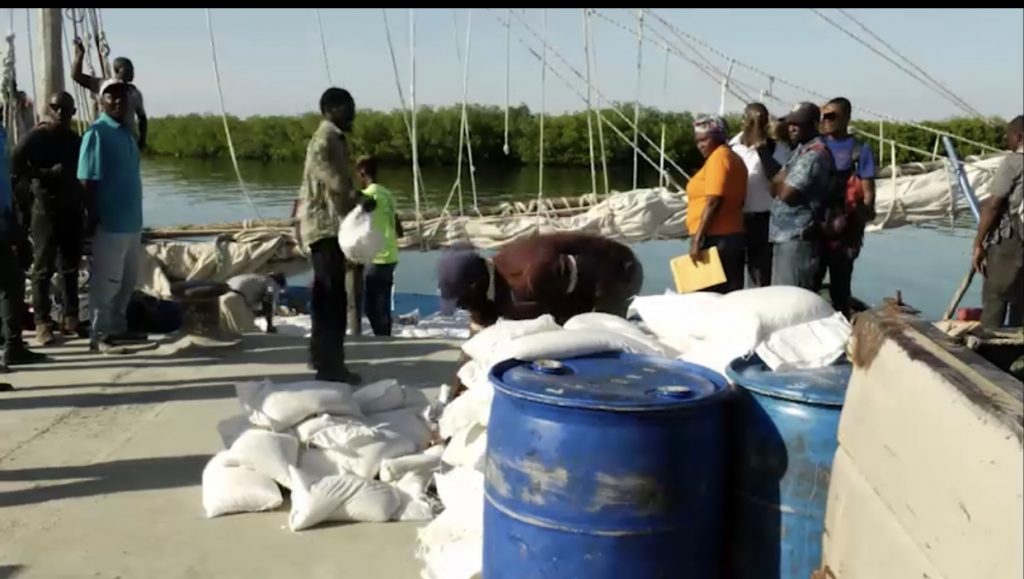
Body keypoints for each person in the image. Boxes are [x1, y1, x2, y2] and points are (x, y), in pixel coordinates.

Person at [295, 87, 364, 384]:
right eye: (348, 109)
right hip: (324, 227)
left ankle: (321, 357)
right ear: (331, 110)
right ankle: (330, 366)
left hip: (325, 225)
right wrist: (357, 198)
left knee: (326, 296)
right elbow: (330, 177)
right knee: (332, 297)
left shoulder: (331, 137)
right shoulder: (326, 138)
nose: (353, 115)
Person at [436, 233, 644, 328]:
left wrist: (603, 323)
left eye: (462, 303)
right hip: (565, 294)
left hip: (619, 272)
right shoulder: (486, 288)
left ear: (477, 286)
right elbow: (480, 327)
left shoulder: (533, 276)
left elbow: (601, 270)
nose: (462, 308)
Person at [77, 79, 148, 354]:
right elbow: (87, 181)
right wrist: (92, 217)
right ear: (101, 101)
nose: (117, 101)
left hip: (132, 222)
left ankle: (118, 327)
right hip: (110, 223)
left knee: (128, 282)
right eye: (110, 96)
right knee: (107, 282)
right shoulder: (97, 133)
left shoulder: (127, 132)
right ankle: (99, 334)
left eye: (121, 96)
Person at [11, 92, 86, 345]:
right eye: (55, 107)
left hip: (71, 209)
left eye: (65, 109)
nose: (60, 112)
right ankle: (42, 321)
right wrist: (44, 174)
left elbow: (83, 173)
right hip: (44, 209)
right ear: (48, 109)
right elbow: (15, 165)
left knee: (70, 267)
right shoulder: (36, 137)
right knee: (43, 268)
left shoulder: (75, 140)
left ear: (73, 112)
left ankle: (70, 316)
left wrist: (85, 205)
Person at [819, 97, 877, 318]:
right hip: (817, 225)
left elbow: (868, 191)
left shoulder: (860, 150)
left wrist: (864, 214)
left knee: (840, 285)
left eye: (832, 115)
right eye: (824, 115)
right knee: (811, 281)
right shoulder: (816, 144)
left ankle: (841, 323)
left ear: (847, 117)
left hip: (845, 227)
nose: (826, 119)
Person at [769, 102, 837, 291]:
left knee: (791, 298)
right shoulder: (799, 150)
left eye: (798, 124)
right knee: (779, 296)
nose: (791, 128)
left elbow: (786, 193)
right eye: (790, 123)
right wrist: (780, 184)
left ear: (814, 124)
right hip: (784, 236)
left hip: (798, 238)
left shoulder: (813, 155)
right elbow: (773, 186)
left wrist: (780, 183)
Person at [1, 121, 47, 391]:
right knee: (11, 283)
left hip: (4, 221)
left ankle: (13, 345)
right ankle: (12, 345)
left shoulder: (2, 132)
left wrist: (14, 224)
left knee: (13, 283)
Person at [729, 103, 791, 287]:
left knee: (760, 274)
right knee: (732, 274)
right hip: (735, 218)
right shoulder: (730, 147)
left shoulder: (777, 149)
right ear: (743, 121)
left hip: (762, 219)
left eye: (761, 121)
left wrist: (761, 148)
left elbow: (777, 178)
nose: (756, 126)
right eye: (752, 121)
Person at [686, 114, 749, 293]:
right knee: (726, 294)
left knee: (704, 297)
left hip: (716, 238)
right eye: (697, 141)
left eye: (704, 140)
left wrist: (698, 240)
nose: (700, 145)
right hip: (729, 236)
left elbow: (714, 200)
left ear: (719, 137)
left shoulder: (719, 158)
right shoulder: (733, 157)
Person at [973, 115, 1023, 329]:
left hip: (1011, 242)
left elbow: (993, 205)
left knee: (996, 296)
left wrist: (978, 243)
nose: (1006, 140)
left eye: (1008, 136)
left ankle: (990, 344)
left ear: (1019, 136)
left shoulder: (1013, 162)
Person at [355, 156, 404, 337]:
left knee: (372, 307)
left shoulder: (367, 196)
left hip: (377, 257)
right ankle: (386, 338)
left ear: (362, 173)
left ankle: (382, 340)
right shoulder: (387, 194)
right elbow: (399, 230)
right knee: (383, 304)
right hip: (391, 255)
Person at [72, 38, 148, 149]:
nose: (132, 72)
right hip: (106, 138)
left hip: (127, 140)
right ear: (117, 70)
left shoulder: (135, 93)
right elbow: (76, 76)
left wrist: (142, 139)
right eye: (128, 69)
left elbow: (142, 117)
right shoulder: (104, 85)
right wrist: (80, 55)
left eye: (132, 69)